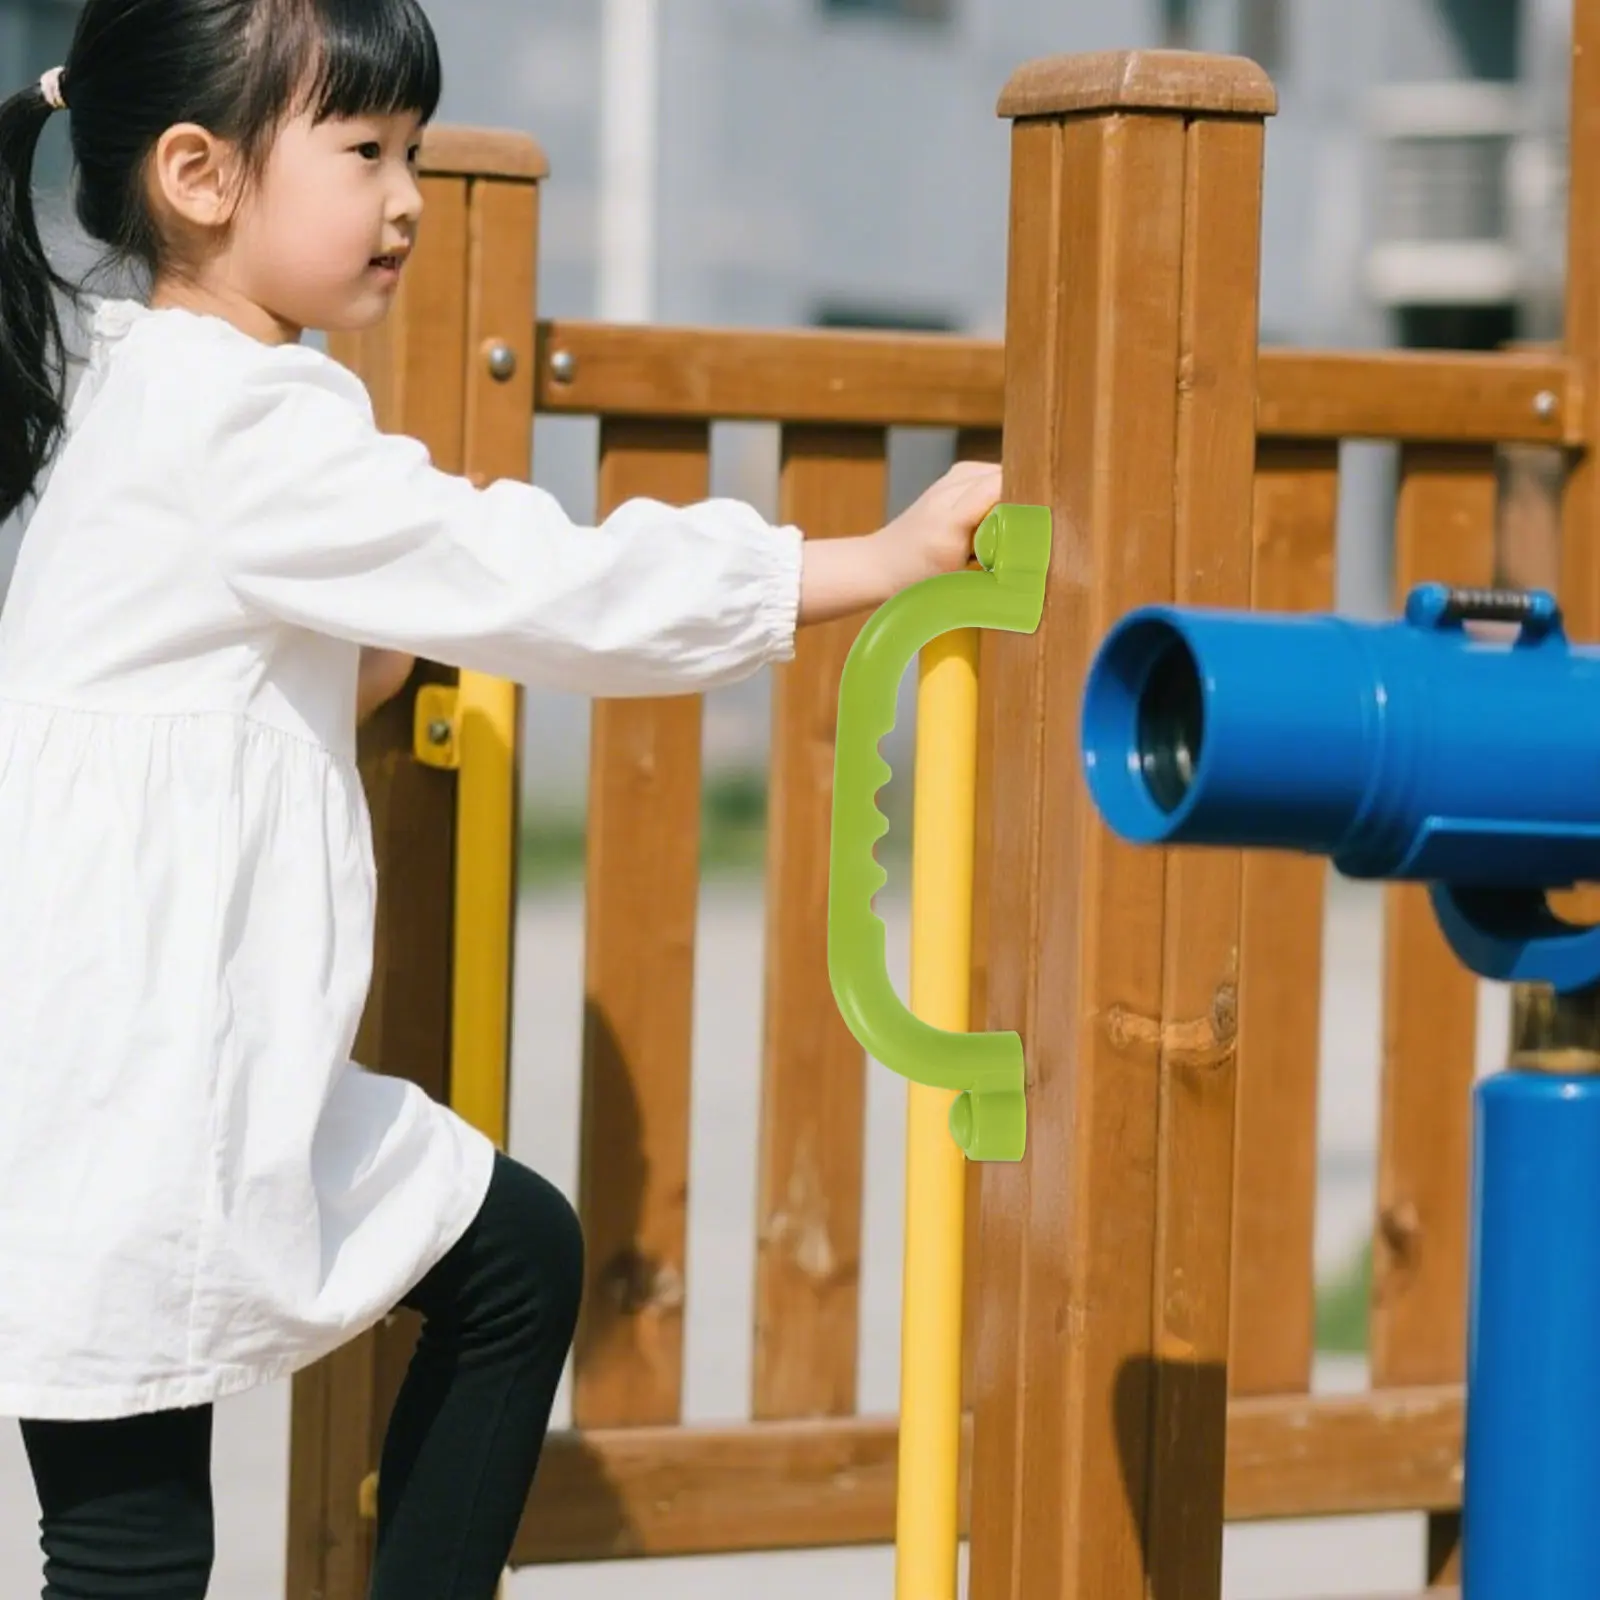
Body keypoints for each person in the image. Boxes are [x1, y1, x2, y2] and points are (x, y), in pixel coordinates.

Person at [0, 1, 1002, 1595]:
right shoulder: (248, 415)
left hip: (115, 1036)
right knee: (131, 1544)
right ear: (198, 173)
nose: (408, 193)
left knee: (498, 1264)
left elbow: (218, 658)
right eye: (367, 151)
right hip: (134, 1056)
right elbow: (540, 578)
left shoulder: (140, 382)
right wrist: (855, 564)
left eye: (413, 148)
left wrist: (356, 666)